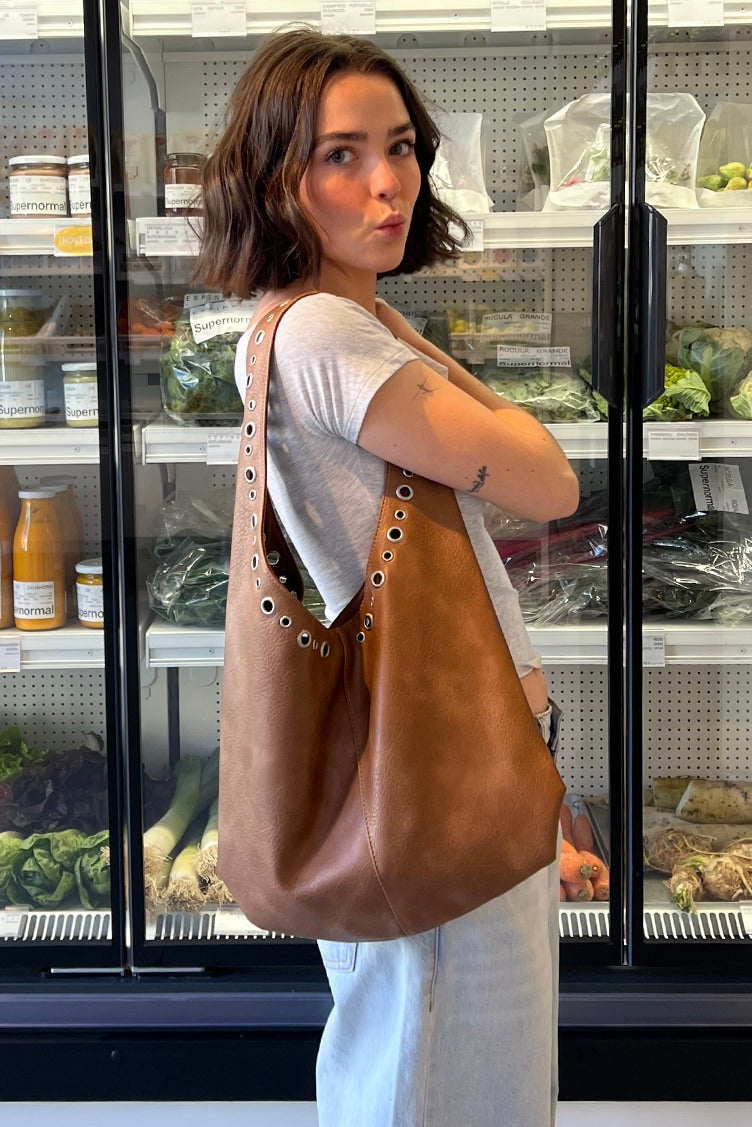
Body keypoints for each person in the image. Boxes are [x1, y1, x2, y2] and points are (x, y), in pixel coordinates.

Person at [196, 27, 579, 1127]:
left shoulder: (309, 325)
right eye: (340, 155)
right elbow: (547, 483)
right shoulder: (326, 332)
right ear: (276, 179)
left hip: (432, 772)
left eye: (402, 146)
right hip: (432, 779)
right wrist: (405, 340)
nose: (387, 182)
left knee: (413, 1061)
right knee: (449, 1089)